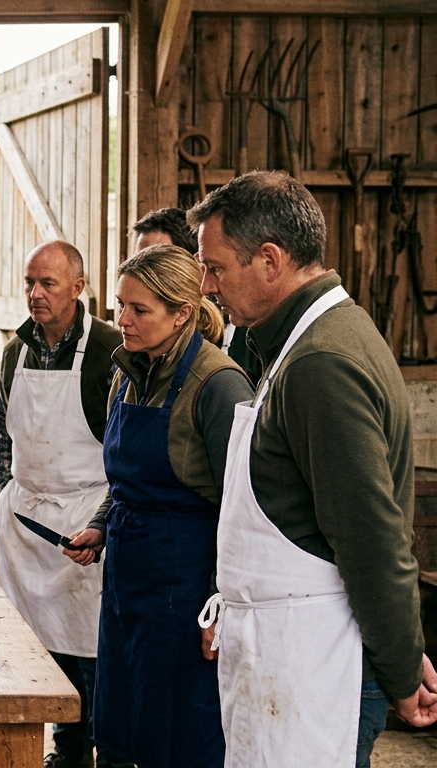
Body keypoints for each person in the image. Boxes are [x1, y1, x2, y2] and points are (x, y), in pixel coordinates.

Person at [190, 172, 437, 768]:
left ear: (270, 261)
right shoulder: (292, 343)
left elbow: (372, 540)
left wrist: (402, 668)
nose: (206, 285)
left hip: (318, 659)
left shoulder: (321, 361)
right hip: (284, 646)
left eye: (216, 268)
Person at [64, 244, 251, 768]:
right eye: (120, 305)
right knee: (123, 716)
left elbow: (242, 507)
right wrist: (102, 524)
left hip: (186, 582)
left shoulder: (219, 385)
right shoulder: (126, 372)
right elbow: (126, 480)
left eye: (139, 309)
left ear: (182, 313)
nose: (122, 320)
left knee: (180, 726)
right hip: (127, 571)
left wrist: (223, 602)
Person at [0, 241, 124, 768]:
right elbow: (5, 431)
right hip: (27, 521)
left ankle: (108, 753)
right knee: (39, 646)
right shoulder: (14, 351)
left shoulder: (112, 349)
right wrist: (6, 487)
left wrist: (103, 520)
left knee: (94, 648)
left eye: (48, 283)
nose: (35, 293)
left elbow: (123, 444)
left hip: (85, 515)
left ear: (78, 287)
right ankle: (66, 752)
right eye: (30, 282)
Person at [132, 207, 258, 381]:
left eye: (159, 262)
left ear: (193, 263)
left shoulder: (242, 324)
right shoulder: (137, 333)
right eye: (139, 260)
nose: (144, 274)